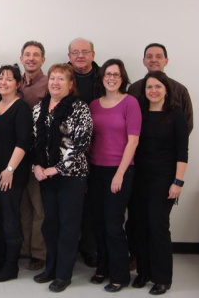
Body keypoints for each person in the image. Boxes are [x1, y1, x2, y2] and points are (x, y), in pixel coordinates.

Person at [32, 63, 93, 293]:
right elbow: (34, 141)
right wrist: (36, 166)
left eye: (61, 79)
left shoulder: (79, 108)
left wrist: (55, 168)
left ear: (70, 84)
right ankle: (50, 267)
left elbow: (81, 144)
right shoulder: (39, 108)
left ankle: (63, 274)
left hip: (72, 176)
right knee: (50, 224)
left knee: (68, 226)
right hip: (46, 176)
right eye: (52, 78)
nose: (55, 83)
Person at [132, 71, 188, 295]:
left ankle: (163, 277)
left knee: (158, 227)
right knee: (138, 226)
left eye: (157, 87)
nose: (153, 91)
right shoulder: (140, 112)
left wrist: (178, 182)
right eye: (149, 87)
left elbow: (182, 152)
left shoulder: (176, 114)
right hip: (138, 178)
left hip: (164, 180)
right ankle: (143, 272)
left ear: (166, 89)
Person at [88, 59, 141, 292]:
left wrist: (119, 173)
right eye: (107, 74)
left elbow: (133, 141)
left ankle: (120, 274)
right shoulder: (93, 105)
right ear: (102, 78)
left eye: (116, 75)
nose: (111, 78)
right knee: (97, 222)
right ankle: (102, 267)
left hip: (120, 170)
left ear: (122, 78)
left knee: (113, 224)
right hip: (95, 170)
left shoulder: (130, 103)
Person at [0, 65, 32, 282]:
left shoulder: (21, 108)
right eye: (0, 78)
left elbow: (24, 141)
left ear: (18, 84)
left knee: (10, 219)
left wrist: (10, 169)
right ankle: (1, 261)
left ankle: (11, 266)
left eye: (9, 79)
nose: (3, 82)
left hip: (10, 175)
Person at [67, 37, 99, 267]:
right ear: (69, 56)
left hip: (98, 151)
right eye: (75, 52)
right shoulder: (61, 78)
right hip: (66, 153)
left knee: (91, 205)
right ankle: (67, 250)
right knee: (69, 205)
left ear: (93, 55)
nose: (80, 55)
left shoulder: (104, 77)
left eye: (85, 51)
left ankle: (90, 249)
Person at [18, 41, 48, 271]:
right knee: (24, 206)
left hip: (39, 155)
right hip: (18, 155)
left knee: (40, 208)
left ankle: (39, 253)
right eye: (27, 54)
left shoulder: (49, 84)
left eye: (36, 55)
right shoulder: (15, 83)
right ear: (21, 58)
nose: (31, 58)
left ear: (42, 60)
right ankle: (25, 249)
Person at [128, 43, 193, 133]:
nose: (154, 60)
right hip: (140, 144)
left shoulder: (180, 90)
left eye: (159, 56)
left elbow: (187, 124)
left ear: (166, 61)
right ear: (144, 61)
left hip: (171, 145)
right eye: (149, 56)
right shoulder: (134, 89)